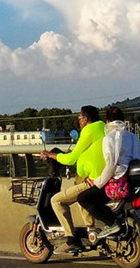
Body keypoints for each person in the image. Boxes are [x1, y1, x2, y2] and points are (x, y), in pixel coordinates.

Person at [39, 105, 105, 252]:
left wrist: (51, 155)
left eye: (80, 118)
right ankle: (90, 230)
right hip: (105, 178)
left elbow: (71, 159)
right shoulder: (102, 128)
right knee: (81, 197)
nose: (79, 121)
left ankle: (70, 239)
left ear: (86, 119)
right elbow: (84, 151)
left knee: (56, 200)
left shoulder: (88, 131)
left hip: (93, 179)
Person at [77, 106, 140, 238]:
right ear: (123, 120)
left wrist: (97, 183)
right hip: (132, 183)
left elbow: (111, 166)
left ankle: (112, 223)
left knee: (83, 198)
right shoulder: (133, 137)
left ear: (107, 121)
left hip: (117, 183)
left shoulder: (108, 138)